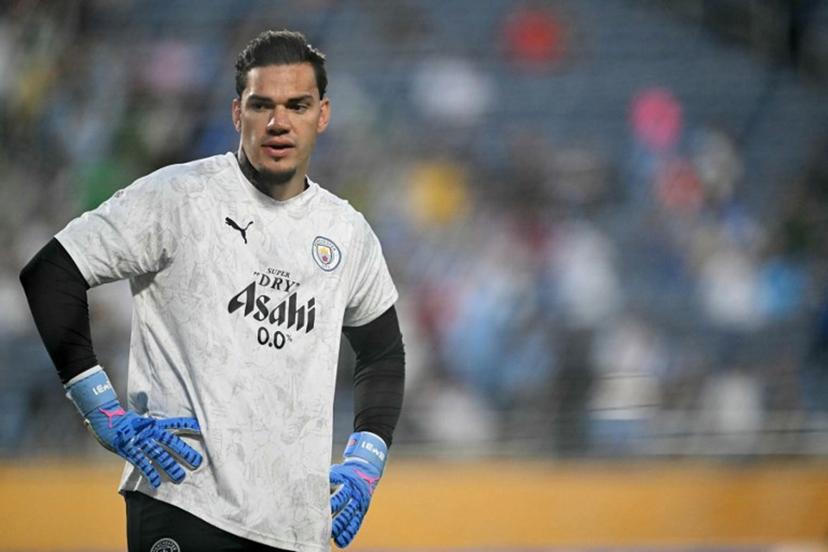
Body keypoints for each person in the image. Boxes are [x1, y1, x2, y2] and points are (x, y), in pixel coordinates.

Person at [19, 29, 405, 552]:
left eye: (297, 105)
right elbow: (51, 272)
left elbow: (382, 351)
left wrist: (365, 461)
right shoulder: (178, 196)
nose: (278, 122)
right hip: (185, 500)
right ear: (235, 114)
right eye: (261, 104)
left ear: (323, 115)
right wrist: (103, 411)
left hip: (297, 526)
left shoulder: (347, 232)